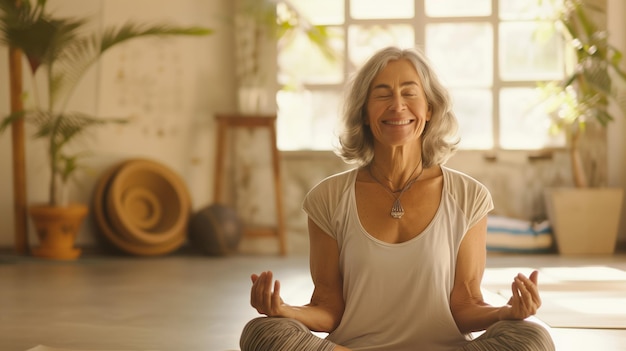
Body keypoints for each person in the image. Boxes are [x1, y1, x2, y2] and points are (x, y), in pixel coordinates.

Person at [239, 46, 555, 351]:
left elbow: (466, 304)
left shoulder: (468, 196)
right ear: (363, 112)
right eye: (382, 94)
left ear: (429, 108)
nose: (397, 105)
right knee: (263, 331)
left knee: (531, 338)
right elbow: (327, 306)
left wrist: (506, 311)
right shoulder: (329, 198)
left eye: (409, 92)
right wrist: (284, 310)